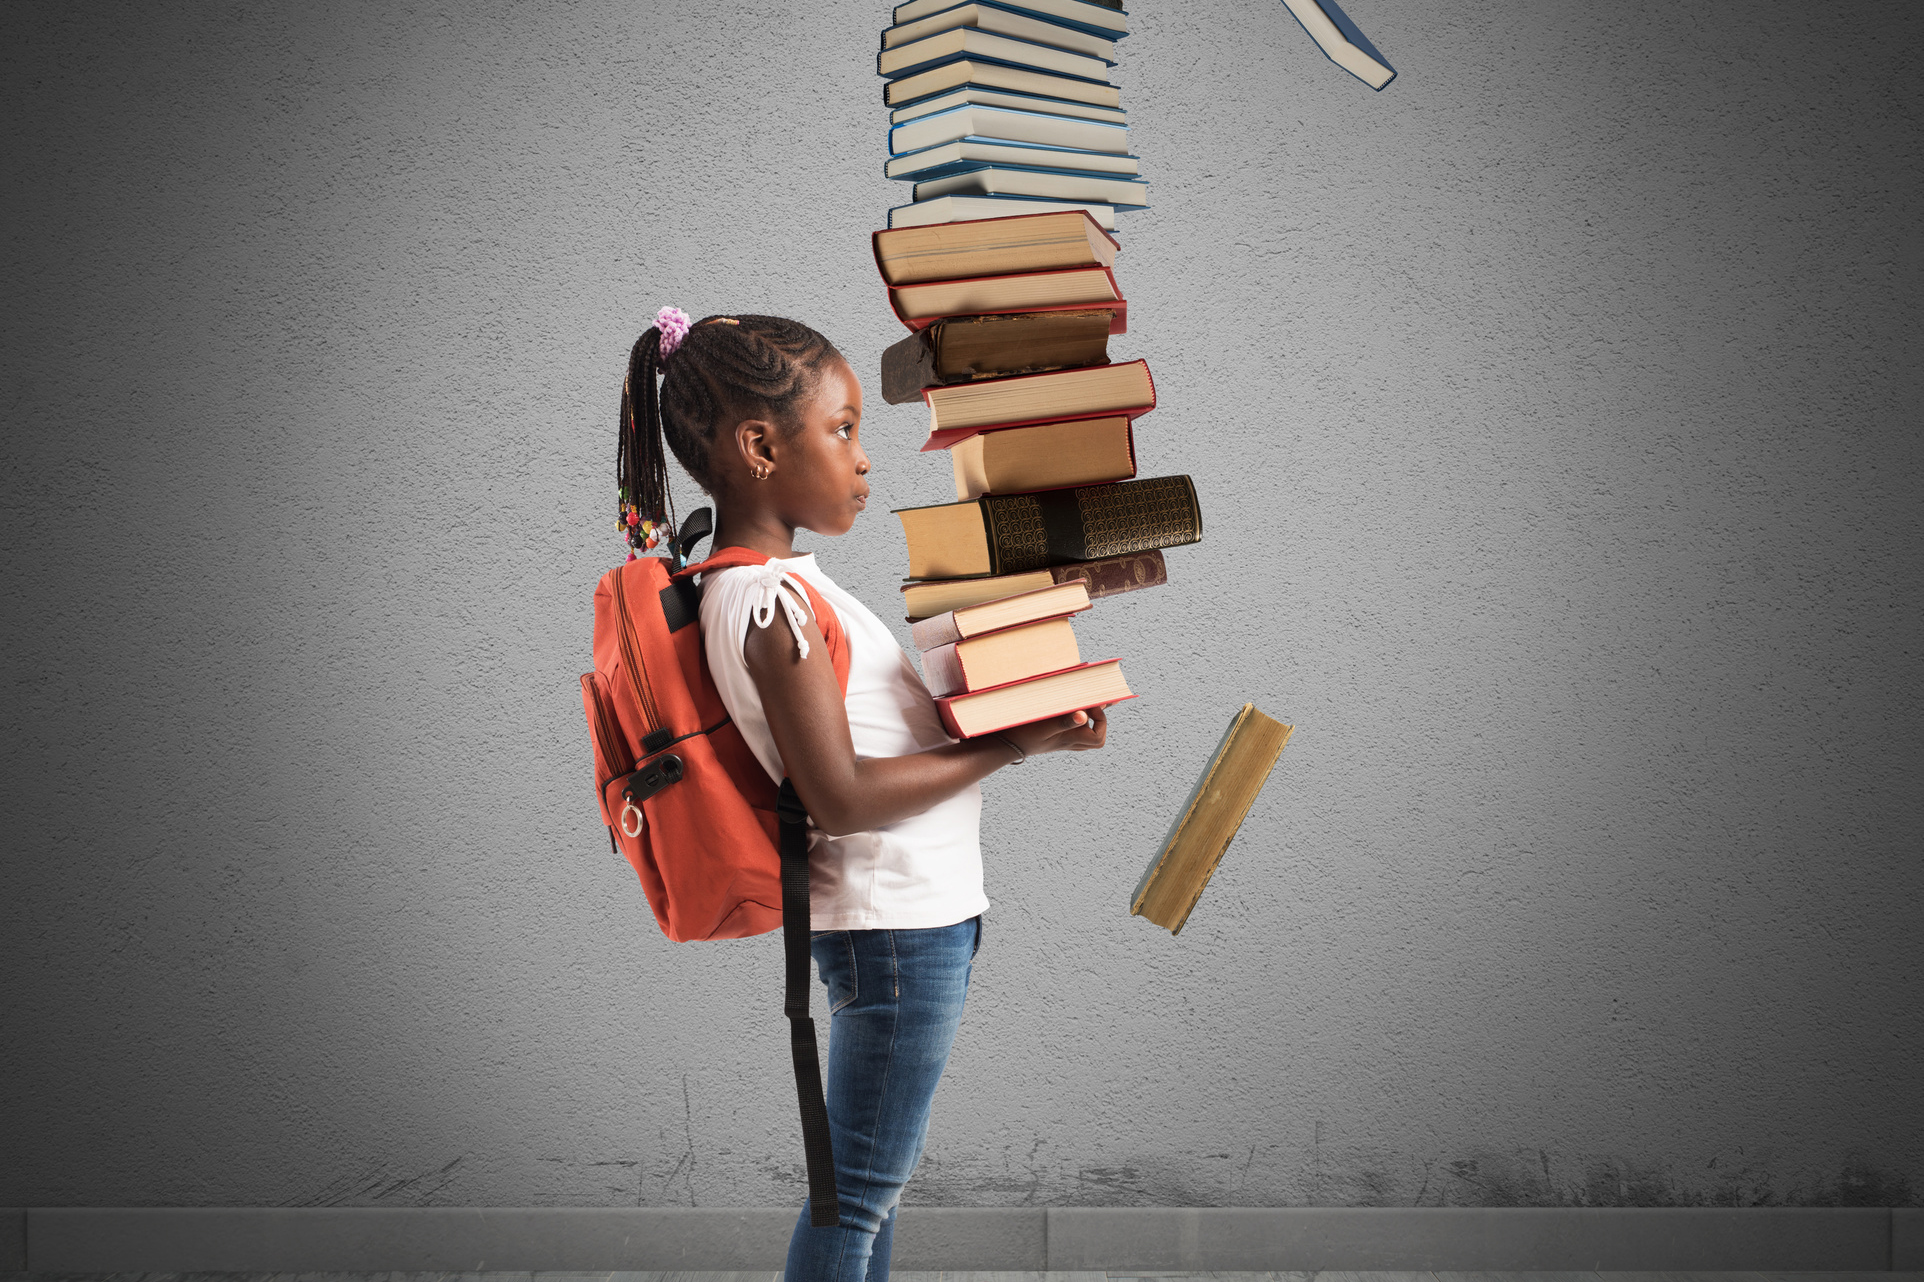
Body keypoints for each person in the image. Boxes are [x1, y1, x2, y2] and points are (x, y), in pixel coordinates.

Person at [616, 307, 1110, 1281]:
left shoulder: (775, 587)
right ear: (759, 446)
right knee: (858, 1200)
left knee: (866, 1198)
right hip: (893, 928)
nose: (863, 458)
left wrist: (1019, 699)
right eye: (842, 430)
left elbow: (877, 739)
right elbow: (837, 795)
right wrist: (1012, 747)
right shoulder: (770, 603)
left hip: (905, 919)